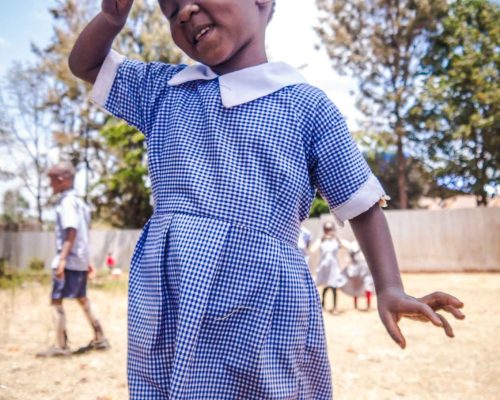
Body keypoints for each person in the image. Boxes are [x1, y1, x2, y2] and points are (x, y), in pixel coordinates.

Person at [68, 0, 465, 397]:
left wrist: (390, 287)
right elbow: (86, 65)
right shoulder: (163, 90)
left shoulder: (307, 107)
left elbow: (359, 203)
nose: (185, 12)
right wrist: (110, 19)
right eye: (170, 12)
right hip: (169, 297)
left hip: (262, 303)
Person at [37, 161, 110, 357]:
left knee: (56, 300)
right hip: (79, 259)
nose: (50, 185)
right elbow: (83, 234)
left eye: (52, 181)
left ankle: (61, 346)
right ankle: (100, 337)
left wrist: (61, 259)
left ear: (62, 180)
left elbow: (72, 231)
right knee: (82, 297)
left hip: (68, 259)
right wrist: (86, 260)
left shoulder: (67, 202)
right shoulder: (80, 202)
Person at [315, 221, 347, 314]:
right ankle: (323, 304)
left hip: (333, 267)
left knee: (334, 286)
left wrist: (337, 238)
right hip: (324, 267)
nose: (328, 231)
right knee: (325, 286)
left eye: (330, 229)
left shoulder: (335, 241)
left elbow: (346, 247)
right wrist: (321, 239)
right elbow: (312, 249)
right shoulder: (321, 241)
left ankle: (334, 307)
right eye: (326, 229)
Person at [341, 240, 375, 311]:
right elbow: (348, 257)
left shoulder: (369, 244)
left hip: (366, 268)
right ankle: (356, 305)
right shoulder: (353, 245)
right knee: (356, 286)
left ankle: (368, 306)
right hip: (356, 268)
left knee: (368, 286)